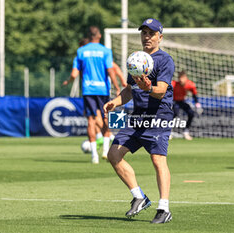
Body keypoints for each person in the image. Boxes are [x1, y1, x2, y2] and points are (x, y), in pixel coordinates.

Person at [103, 18, 174, 224]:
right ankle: (139, 196)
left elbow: (161, 91)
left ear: (160, 37)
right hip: (137, 117)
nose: (147, 37)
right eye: (144, 33)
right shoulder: (136, 59)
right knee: (113, 154)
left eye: (151, 33)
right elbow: (128, 90)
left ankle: (164, 208)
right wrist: (115, 102)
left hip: (158, 115)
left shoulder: (164, 60)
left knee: (158, 160)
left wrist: (148, 89)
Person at [63, 26, 120, 164]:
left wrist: (68, 81)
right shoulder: (105, 51)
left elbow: (74, 73)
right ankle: (106, 151)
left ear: (88, 37)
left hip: (88, 90)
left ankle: (94, 156)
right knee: (106, 118)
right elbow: (111, 70)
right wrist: (117, 86)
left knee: (91, 120)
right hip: (103, 90)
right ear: (99, 36)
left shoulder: (81, 51)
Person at [171, 70, 201, 140]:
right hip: (174, 101)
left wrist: (197, 104)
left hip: (182, 101)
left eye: (182, 78)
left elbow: (194, 94)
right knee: (174, 113)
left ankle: (186, 131)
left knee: (191, 113)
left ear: (186, 78)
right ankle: (168, 131)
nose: (181, 80)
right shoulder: (173, 84)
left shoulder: (190, 84)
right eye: (179, 78)